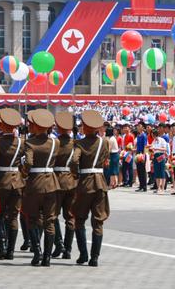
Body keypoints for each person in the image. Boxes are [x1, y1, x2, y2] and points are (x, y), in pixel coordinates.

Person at [70, 109, 110, 267]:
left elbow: (74, 161)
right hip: (100, 182)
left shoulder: (80, 143)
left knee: (79, 219)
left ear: (86, 127)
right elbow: (105, 158)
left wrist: (76, 174)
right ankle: (95, 257)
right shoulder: (104, 142)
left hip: (85, 183)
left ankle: (83, 254)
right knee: (98, 222)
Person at [21, 108, 60, 267]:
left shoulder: (29, 143)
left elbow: (28, 163)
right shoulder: (55, 143)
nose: (29, 126)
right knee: (49, 220)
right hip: (51, 183)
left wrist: (24, 171)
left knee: (32, 219)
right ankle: (47, 257)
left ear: (36, 126)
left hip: (35, 184)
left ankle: (37, 252)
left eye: (31, 124)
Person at [0, 107, 24, 261]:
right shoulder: (21, 142)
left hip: (1, 182)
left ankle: (2, 247)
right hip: (17, 181)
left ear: (1, 126)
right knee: (13, 217)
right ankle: (11, 250)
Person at [51, 111, 77, 260]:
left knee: (53, 216)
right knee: (70, 217)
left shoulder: (55, 143)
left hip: (56, 181)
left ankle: (59, 244)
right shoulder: (76, 144)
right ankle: (67, 249)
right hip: (72, 181)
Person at [150, 129, 168, 193]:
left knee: (162, 172)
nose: (152, 136)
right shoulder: (154, 141)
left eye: (153, 135)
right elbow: (152, 148)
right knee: (157, 172)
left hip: (161, 155)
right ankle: (158, 188)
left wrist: (156, 148)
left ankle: (163, 188)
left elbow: (165, 149)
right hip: (155, 156)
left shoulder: (162, 140)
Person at [134, 122, 148, 192]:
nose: (138, 127)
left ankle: (144, 186)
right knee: (139, 170)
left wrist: (144, 155)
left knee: (142, 171)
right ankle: (141, 185)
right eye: (138, 126)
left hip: (142, 154)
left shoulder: (144, 135)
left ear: (143, 128)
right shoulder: (138, 135)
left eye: (139, 126)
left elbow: (145, 146)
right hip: (137, 154)